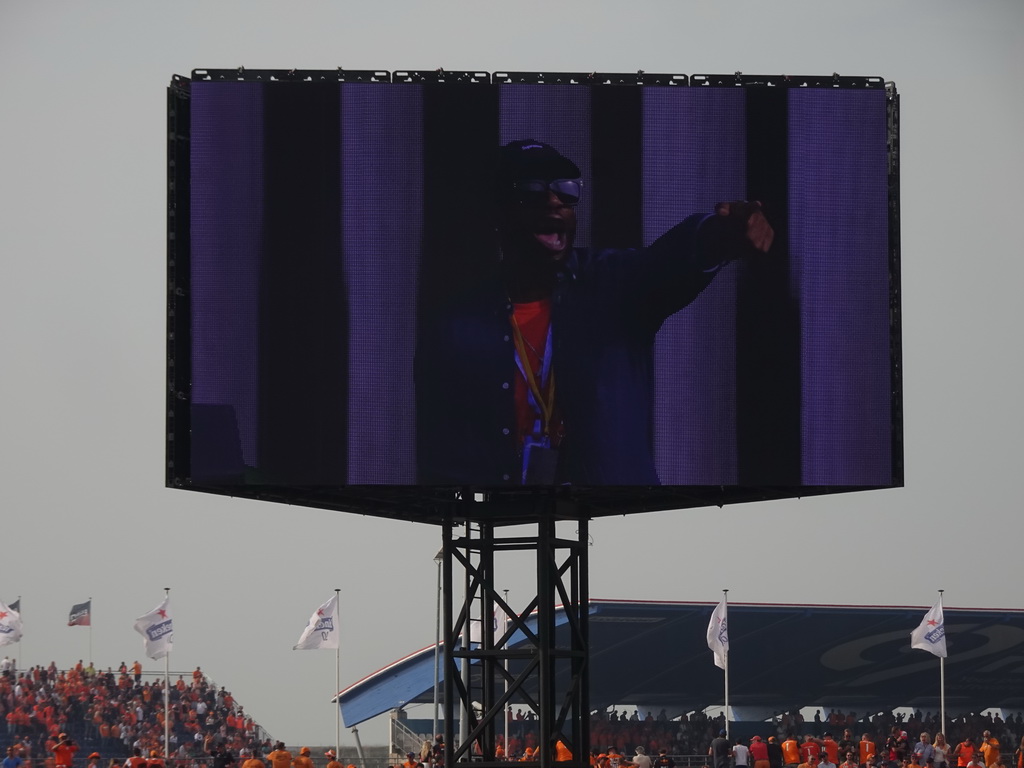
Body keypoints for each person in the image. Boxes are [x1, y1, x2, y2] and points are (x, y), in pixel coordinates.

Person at [415, 138, 773, 485]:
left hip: (620, 522)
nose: (554, 201)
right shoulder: (455, 328)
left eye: (566, 189)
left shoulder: (613, 286)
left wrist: (725, 233)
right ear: (499, 213)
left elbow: (674, 259)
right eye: (532, 189)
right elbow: (443, 457)